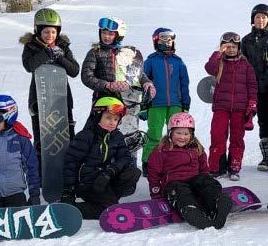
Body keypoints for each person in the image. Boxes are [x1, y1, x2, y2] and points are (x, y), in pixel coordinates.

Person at [20, 8, 80, 179]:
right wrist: (45, 52)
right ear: (38, 30)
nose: (50, 35)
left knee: (66, 136)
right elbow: (29, 66)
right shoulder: (31, 46)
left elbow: (75, 70)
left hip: (62, 98)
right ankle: (42, 175)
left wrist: (61, 57)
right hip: (40, 98)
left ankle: (68, 175)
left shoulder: (64, 46)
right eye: (46, 31)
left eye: (54, 31)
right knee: (42, 138)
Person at [147, 112, 233, 229]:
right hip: (174, 183)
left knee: (206, 182)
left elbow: (203, 169)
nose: (182, 137)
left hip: (195, 180)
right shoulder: (162, 150)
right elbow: (153, 173)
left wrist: (206, 182)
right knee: (180, 191)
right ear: (170, 133)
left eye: (186, 133)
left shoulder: (197, 148)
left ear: (191, 135)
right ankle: (190, 209)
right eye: (178, 133)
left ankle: (216, 203)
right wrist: (155, 192)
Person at [80, 17, 154, 151]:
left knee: (127, 138)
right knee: (100, 135)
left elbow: (137, 74)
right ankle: (98, 166)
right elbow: (86, 76)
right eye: (103, 33)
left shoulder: (128, 54)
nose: (106, 36)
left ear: (118, 36)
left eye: (110, 34)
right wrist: (107, 85)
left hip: (127, 103)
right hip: (103, 101)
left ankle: (128, 166)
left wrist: (147, 83)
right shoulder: (95, 53)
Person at [60, 97, 141, 219]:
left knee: (133, 172)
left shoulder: (116, 136)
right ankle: (74, 209)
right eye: (108, 117)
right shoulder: (85, 136)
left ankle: (107, 200)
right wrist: (68, 191)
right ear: (98, 116)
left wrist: (109, 172)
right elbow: (71, 164)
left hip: (104, 180)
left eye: (115, 119)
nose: (112, 122)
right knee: (108, 210)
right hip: (88, 183)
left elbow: (125, 158)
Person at [204, 32, 257, 180]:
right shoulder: (219, 63)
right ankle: (216, 166)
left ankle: (234, 166)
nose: (231, 49)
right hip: (221, 107)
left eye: (234, 47)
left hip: (240, 109)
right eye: (228, 47)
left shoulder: (246, 65)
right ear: (222, 48)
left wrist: (252, 104)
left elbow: (252, 85)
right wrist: (217, 53)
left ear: (239, 47)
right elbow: (209, 68)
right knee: (217, 135)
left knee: (237, 138)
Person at [141, 28, 190, 177]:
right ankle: (148, 163)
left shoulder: (178, 62)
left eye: (170, 39)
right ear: (156, 40)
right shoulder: (150, 61)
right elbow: (142, 83)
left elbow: (184, 84)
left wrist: (185, 104)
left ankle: (174, 162)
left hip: (175, 103)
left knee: (176, 134)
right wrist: (144, 106)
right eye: (163, 39)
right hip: (156, 104)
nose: (167, 42)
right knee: (155, 134)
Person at [241, 4, 268, 171]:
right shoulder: (246, 41)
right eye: (257, 17)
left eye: (264, 17)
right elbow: (242, 63)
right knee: (263, 122)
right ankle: (267, 157)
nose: (260, 20)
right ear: (253, 19)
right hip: (256, 89)